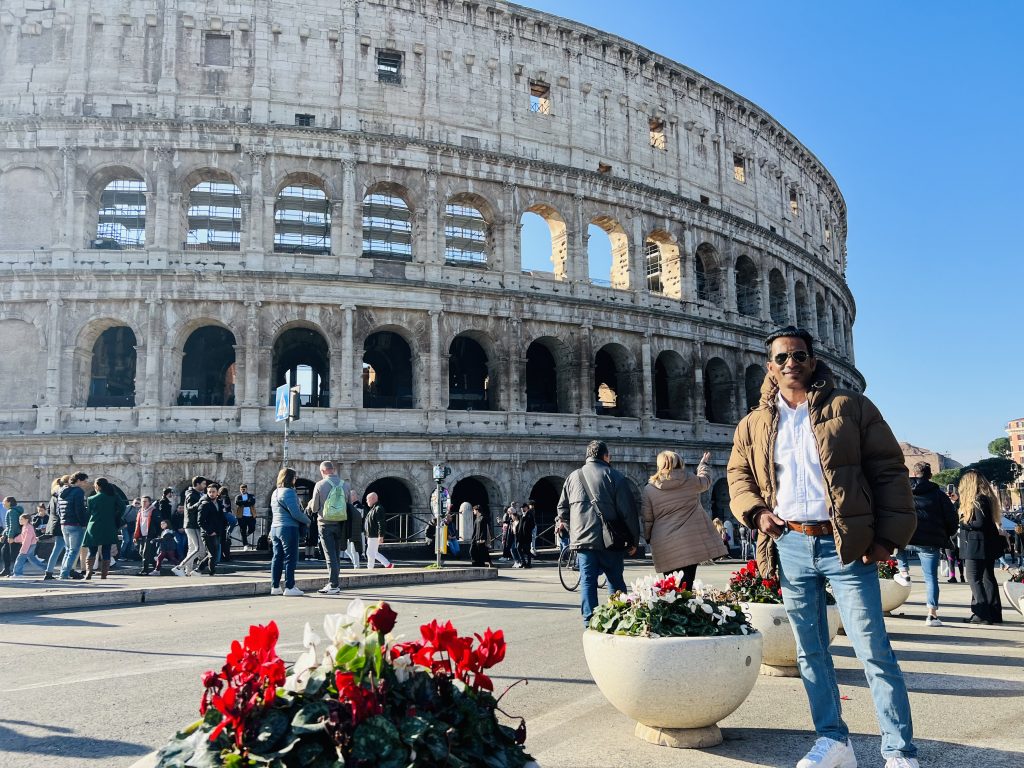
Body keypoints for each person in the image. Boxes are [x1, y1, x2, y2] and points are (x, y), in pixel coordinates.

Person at [728, 325, 919, 768]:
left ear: (812, 362)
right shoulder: (753, 423)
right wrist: (756, 512)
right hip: (790, 543)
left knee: (872, 647)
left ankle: (899, 751)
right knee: (810, 651)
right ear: (769, 367)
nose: (790, 363)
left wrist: (889, 538)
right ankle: (834, 741)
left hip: (843, 544)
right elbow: (738, 477)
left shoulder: (850, 407)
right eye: (781, 358)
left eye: (798, 356)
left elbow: (889, 470)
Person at [556, 440, 640, 628]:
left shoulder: (573, 477)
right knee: (615, 579)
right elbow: (628, 511)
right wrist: (634, 539)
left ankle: (590, 622)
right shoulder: (614, 476)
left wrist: (574, 530)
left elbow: (561, 509)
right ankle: (619, 618)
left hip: (583, 542)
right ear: (605, 456)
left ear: (588, 456)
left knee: (587, 581)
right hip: (611, 540)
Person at [642, 450, 725, 587]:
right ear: (679, 462)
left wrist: (648, 537)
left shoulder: (649, 489)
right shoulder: (690, 480)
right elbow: (706, 481)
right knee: (687, 584)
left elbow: (647, 519)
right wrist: (703, 464)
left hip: (664, 542)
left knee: (670, 587)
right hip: (689, 542)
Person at [893, 462, 959, 627]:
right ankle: (932, 615)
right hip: (930, 542)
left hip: (907, 538)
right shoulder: (939, 494)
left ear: (914, 474)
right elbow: (952, 518)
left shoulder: (903, 491)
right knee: (931, 579)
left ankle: (904, 572)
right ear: (930, 476)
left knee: (897, 545)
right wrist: (948, 533)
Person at [957, 470, 1004, 625]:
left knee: (973, 578)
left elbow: (979, 523)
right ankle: (993, 612)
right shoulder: (987, 499)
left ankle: (982, 612)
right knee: (987, 578)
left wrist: (963, 523)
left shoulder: (977, 500)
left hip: (976, 545)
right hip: (986, 545)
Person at [308, 460, 350, 595]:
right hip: (340, 523)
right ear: (333, 470)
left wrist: (310, 504)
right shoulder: (346, 485)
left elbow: (314, 508)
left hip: (325, 523)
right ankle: (335, 583)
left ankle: (333, 584)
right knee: (336, 554)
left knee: (329, 555)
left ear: (323, 471)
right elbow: (348, 504)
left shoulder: (320, 485)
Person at [269, 467, 308, 596]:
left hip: (275, 528)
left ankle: (275, 586)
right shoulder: (289, 492)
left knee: (277, 557)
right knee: (290, 558)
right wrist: (308, 520)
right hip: (288, 528)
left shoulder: (275, 493)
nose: (295, 480)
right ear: (290, 478)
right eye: (295, 477)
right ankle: (290, 587)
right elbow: (296, 513)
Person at [83, 478, 123, 580]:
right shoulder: (114, 496)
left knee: (92, 551)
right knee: (106, 550)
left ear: (98, 486)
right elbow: (123, 507)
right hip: (109, 526)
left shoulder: (91, 499)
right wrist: (115, 516)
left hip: (94, 526)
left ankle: (88, 573)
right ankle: (104, 575)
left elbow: (89, 514)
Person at [57, 472, 92, 580]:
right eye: (84, 481)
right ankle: (64, 574)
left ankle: (63, 572)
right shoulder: (78, 491)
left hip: (64, 523)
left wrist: (63, 519)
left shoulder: (62, 491)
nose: (86, 484)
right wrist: (83, 523)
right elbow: (79, 509)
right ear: (78, 481)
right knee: (73, 550)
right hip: (75, 524)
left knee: (68, 550)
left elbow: (58, 509)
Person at [174, 477, 208, 577]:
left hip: (191, 524)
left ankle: (188, 571)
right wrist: (201, 501)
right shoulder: (192, 494)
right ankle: (179, 567)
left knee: (192, 549)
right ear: (197, 484)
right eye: (203, 484)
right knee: (199, 549)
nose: (205, 486)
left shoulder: (196, 494)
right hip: (192, 524)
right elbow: (190, 508)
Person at [43, 476, 69, 581]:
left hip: (55, 526)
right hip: (63, 524)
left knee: (58, 549)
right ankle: (66, 571)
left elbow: (49, 511)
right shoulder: (61, 495)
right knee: (68, 549)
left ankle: (49, 572)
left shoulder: (53, 496)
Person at [196, 484, 223, 576]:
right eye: (209, 492)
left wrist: (221, 529)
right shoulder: (205, 504)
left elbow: (220, 518)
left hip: (217, 532)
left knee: (214, 553)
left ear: (217, 493)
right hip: (207, 533)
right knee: (212, 554)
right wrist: (210, 531)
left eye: (213, 492)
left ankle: (198, 569)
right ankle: (212, 571)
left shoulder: (219, 503)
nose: (211, 494)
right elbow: (200, 521)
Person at [12, 511, 48, 576]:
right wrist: (14, 540)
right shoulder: (26, 526)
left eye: (21, 519)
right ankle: (48, 569)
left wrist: (23, 549)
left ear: (26, 520)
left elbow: (27, 539)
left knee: (20, 558)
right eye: (19, 519)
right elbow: (22, 536)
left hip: (29, 545)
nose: (19, 520)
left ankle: (17, 573)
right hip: (31, 544)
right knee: (32, 559)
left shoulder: (28, 527)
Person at [364, 492, 393, 569]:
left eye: (368, 499)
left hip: (374, 535)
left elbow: (381, 523)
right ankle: (388, 565)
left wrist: (381, 535)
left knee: (370, 552)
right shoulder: (374, 508)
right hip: (371, 535)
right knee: (374, 553)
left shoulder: (378, 509)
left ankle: (370, 568)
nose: (366, 501)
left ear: (373, 499)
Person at [134, 495, 161, 575]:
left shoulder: (154, 511)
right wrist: (136, 535)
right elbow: (137, 523)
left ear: (149, 502)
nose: (144, 503)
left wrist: (158, 534)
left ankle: (145, 570)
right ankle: (156, 566)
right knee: (142, 552)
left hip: (150, 535)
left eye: (145, 501)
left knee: (145, 553)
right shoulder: (140, 511)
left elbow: (159, 523)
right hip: (142, 534)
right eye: (142, 501)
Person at [0, 496, 24, 577]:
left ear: (9, 502)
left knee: (13, 553)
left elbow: (12, 525)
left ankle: (15, 571)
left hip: (13, 535)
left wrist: (10, 537)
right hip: (12, 534)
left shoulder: (11, 512)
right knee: (5, 551)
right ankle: (7, 570)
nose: (3, 503)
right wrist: (4, 535)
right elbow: (8, 526)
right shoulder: (13, 511)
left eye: (4, 501)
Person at [345, 489, 365, 568]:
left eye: (350, 496)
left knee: (354, 549)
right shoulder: (353, 506)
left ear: (354, 496)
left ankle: (356, 566)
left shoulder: (358, 506)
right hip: (351, 530)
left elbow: (356, 518)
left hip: (356, 531)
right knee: (346, 549)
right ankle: (355, 563)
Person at [235, 484, 257, 550]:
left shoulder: (251, 496)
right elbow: (237, 502)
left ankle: (246, 535)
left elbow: (252, 502)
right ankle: (245, 545)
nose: (242, 490)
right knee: (243, 530)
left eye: (244, 489)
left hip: (251, 516)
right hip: (242, 516)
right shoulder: (238, 496)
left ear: (246, 489)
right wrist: (247, 502)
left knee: (252, 528)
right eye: (241, 489)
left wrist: (243, 503)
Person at [516, 502, 534, 568]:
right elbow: (519, 525)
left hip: (526, 536)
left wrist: (527, 531)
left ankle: (528, 564)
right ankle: (523, 562)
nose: (522, 509)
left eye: (523, 507)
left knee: (527, 550)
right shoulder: (521, 516)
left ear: (526, 508)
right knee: (518, 548)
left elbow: (532, 525)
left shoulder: (529, 515)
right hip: (521, 536)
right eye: (521, 508)